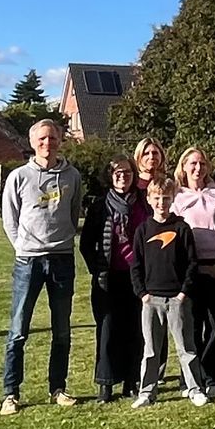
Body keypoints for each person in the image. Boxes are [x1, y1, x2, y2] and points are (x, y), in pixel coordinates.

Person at [0, 119, 84, 414]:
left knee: (62, 330)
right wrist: (22, 247)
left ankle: (57, 388)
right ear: (33, 142)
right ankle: (11, 393)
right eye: (43, 139)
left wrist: (62, 240)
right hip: (29, 261)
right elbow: (9, 218)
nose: (48, 143)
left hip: (62, 260)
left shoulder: (72, 176)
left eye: (53, 138)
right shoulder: (19, 176)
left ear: (60, 140)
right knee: (18, 330)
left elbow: (74, 213)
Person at [131, 175, 210, 408]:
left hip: (177, 299)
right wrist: (143, 294)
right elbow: (136, 265)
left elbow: (192, 263)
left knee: (186, 348)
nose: (161, 203)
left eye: (166, 198)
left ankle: (195, 388)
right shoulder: (143, 230)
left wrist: (183, 293)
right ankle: (147, 392)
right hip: (151, 300)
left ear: (172, 199)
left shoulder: (181, 228)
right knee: (151, 350)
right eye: (157, 198)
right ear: (149, 199)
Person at [79, 154, 143, 403]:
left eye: (127, 172)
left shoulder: (143, 203)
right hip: (107, 277)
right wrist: (96, 269)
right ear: (110, 175)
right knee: (107, 330)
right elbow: (86, 243)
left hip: (136, 277)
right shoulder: (100, 205)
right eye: (118, 172)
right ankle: (105, 383)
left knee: (134, 329)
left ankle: (131, 380)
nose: (123, 177)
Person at [172, 146, 215, 397]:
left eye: (202, 163)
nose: (198, 168)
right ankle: (191, 377)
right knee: (191, 325)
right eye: (193, 163)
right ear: (184, 167)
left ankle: (214, 376)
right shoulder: (177, 196)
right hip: (189, 268)